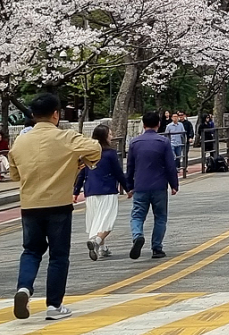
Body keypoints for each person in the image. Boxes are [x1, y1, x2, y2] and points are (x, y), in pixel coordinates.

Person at [9, 93, 102, 321]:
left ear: (32, 115)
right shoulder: (66, 137)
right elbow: (95, 148)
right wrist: (80, 162)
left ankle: (24, 288)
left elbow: (14, 174)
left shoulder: (20, 141)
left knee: (31, 250)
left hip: (30, 205)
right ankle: (54, 305)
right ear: (56, 114)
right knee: (58, 256)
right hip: (59, 204)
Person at [127, 112, 179, 260]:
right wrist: (174, 184)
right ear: (158, 124)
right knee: (160, 217)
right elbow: (170, 165)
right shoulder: (163, 142)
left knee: (137, 215)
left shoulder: (134, 143)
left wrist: (129, 185)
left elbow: (130, 166)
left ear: (143, 125)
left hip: (140, 185)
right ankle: (157, 248)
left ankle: (137, 235)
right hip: (159, 185)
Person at [73, 125, 129, 261]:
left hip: (90, 190)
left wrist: (76, 191)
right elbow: (118, 173)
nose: (111, 137)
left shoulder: (89, 154)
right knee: (108, 220)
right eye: (109, 134)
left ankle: (103, 249)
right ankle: (96, 241)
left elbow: (82, 173)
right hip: (107, 190)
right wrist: (128, 188)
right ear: (104, 137)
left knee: (96, 220)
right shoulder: (110, 154)